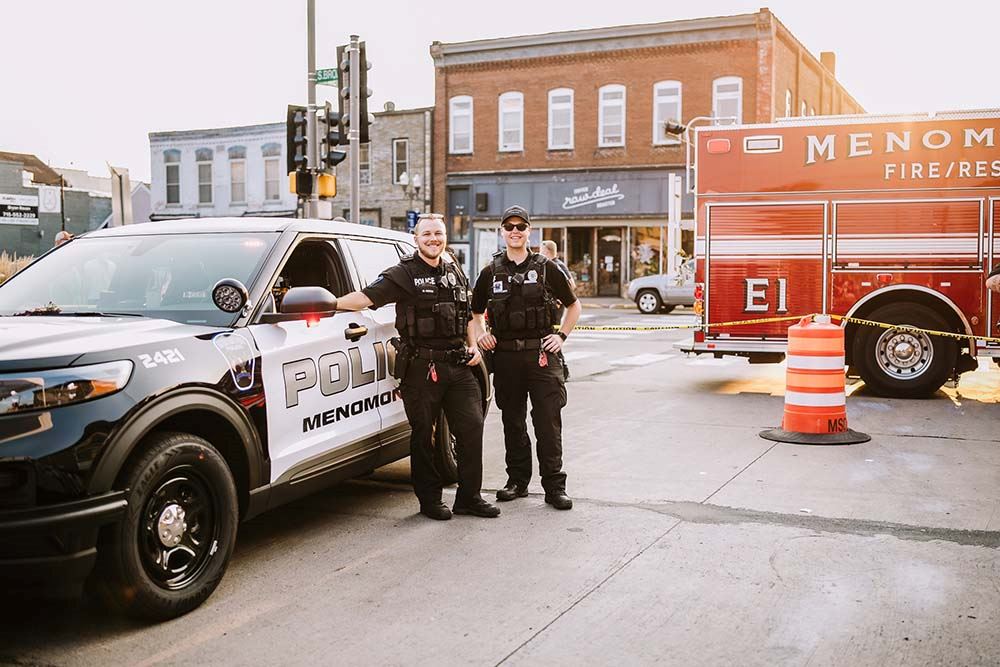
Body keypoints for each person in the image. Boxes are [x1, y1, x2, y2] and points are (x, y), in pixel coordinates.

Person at [336, 214, 500, 521]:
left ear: (445, 237)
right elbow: (364, 299)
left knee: (471, 429)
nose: (433, 239)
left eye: (438, 233)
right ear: (416, 238)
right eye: (427, 234)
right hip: (421, 367)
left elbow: (465, 314)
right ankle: (429, 500)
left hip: (458, 365)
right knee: (423, 435)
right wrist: (328, 304)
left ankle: (469, 498)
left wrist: (473, 345)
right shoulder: (403, 273)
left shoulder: (453, 269)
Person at [472, 205, 581, 510]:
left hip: (542, 356)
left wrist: (561, 336)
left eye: (521, 226)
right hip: (505, 356)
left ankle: (554, 487)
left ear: (530, 231)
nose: (515, 231)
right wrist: (482, 333)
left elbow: (574, 306)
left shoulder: (547, 268)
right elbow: (475, 312)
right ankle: (517, 482)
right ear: (502, 232)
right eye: (509, 227)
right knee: (513, 422)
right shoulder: (490, 271)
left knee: (548, 423)